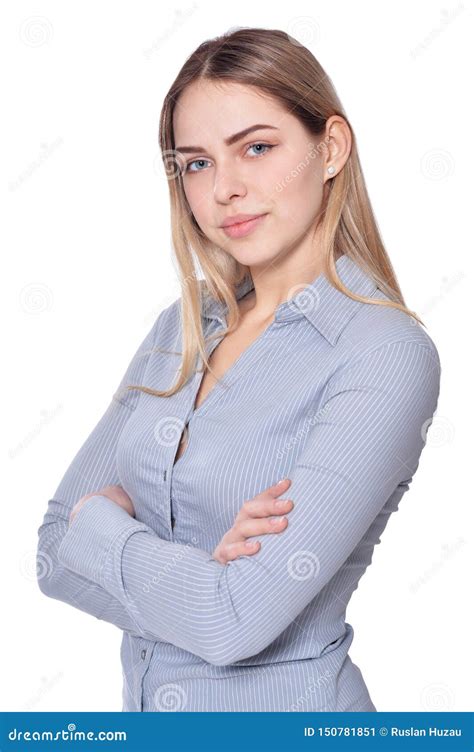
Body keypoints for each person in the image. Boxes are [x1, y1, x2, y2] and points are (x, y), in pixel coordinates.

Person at [36, 27, 441, 712]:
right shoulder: (184, 327)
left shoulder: (383, 353)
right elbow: (51, 553)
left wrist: (106, 531)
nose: (225, 189)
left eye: (257, 148)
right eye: (196, 163)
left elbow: (231, 623)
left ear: (331, 148)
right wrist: (203, 579)